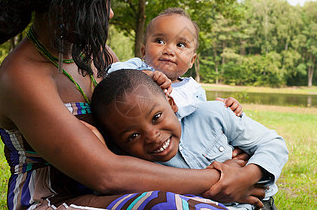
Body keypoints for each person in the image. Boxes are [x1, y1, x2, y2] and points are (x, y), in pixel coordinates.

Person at [0, 0, 267, 209]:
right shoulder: (23, 76)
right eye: (101, 2)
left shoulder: (97, 54)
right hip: (54, 199)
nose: (108, 14)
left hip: (111, 190)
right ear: (66, 0)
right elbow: (105, 172)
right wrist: (219, 179)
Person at [91, 69, 288, 210]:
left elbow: (273, 143)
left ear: (171, 103)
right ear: (118, 144)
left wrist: (247, 176)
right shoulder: (133, 168)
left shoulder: (213, 115)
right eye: (133, 136)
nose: (152, 136)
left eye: (156, 117)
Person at [107, 8, 243, 119]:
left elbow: (202, 119)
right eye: (160, 41)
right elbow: (112, 75)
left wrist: (226, 108)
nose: (169, 50)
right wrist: (144, 76)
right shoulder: (137, 67)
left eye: (180, 45)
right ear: (144, 51)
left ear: (192, 61)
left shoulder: (194, 90)